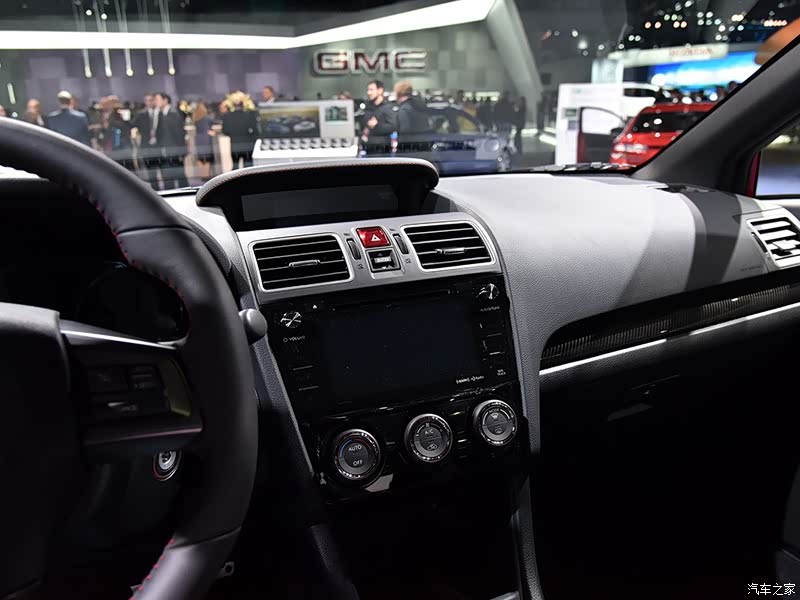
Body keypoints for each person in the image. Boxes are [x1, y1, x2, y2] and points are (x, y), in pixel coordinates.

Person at [154, 92, 189, 189]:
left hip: (175, 151)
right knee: (168, 177)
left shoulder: (174, 114)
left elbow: (180, 134)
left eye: (158, 99)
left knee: (180, 176)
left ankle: (185, 193)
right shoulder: (161, 114)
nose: (156, 102)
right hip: (165, 151)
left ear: (165, 100)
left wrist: (181, 152)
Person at [131, 93, 161, 189]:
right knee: (151, 173)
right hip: (146, 147)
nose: (149, 103)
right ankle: (155, 191)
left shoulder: (160, 113)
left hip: (160, 146)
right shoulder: (141, 115)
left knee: (164, 171)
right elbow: (132, 124)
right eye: (147, 100)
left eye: (151, 100)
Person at [221, 97, 259, 169]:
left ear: (233, 106)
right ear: (243, 105)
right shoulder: (249, 115)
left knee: (235, 167)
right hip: (247, 145)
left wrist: (233, 134)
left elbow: (225, 131)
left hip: (235, 144)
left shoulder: (227, 116)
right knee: (248, 168)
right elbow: (255, 131)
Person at [193, 101, 215, 180]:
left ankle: (202, 175)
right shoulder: (207, 119)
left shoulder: (196, 119)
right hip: (206, 139)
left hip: (198, 139)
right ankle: (206, 176)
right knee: (207, 158)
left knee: (201, 158)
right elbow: (214, 123)